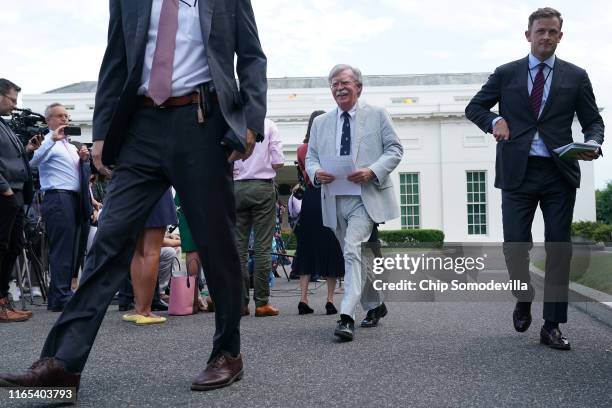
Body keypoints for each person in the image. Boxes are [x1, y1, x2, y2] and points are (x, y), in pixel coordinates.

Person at [0, 0, 266, 393]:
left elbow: (251, 57)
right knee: (108, 239)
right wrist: (104, 131)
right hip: (141, 127)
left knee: (217, 244)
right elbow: (115, 62)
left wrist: (251, 122)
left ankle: (227, 352)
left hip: (201, 122)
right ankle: (62, 365)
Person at [465, 7, 604, 350]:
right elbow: (475, 107)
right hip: (518, 172)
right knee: (515, 246)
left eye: (552, 31)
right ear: (528, 35)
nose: (545, 37)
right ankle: (523, 295)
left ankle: (552, 325)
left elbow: (593, 122)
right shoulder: (506, 73)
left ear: (560, 36)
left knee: (559, 248)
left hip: (559, 173)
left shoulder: (576, 76)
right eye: (540, 31)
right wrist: (494, 122)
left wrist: (593, 143)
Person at [305, 65, 403, 341]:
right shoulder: (321, 122)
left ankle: (346, 316)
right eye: (334, 84)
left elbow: (395, 150)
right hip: (333, 198)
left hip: (365, 197)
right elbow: (311, 158)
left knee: (351, 250)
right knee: (355, 257)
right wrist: (315, 172)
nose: (339, 88)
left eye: (345, 82)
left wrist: (372, 170)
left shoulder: (377, 115)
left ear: (358, 87)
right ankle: (375, 304)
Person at [29, 103, 91, 311]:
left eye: (67, 115)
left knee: (73, 249)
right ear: (49, 120)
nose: (65, 119)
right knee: (62, 249)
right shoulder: (46, 141)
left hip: (74, 198)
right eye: (60, 116)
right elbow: (32, 162)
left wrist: (83, 159)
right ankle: (60, 296)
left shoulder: (70, 145)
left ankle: (64, 292)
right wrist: (50, 141)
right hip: (57, 197)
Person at [233, 118, 284, 317]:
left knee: (239, 248)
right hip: (262, 187)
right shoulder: (269, 125)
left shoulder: (232, 123)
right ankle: (262, 303)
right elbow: (278, 162)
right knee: (263, 247)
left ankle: (240, 302)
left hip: (236, 187)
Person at [295, 110, 344, 315]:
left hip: (310, 198)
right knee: (331, 246)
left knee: (306, 247)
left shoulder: (302, 149)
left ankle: (303, 299)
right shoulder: (330, 146)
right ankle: (330, 300)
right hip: (328, 195)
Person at [0, 78, 40, 322]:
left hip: (14, 193)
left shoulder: (5, 125)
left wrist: (27, 151)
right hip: (5, 193)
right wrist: (4, 188)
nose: (15, 106)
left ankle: (3, 300)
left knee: (12, 247)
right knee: (1, 247)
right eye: (12, 99)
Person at [120, 189, 177, 324]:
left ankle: (139, 308)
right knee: (151, 251)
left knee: (137, 252)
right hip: (157, 188)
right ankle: (145, 310)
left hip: (134, 191)